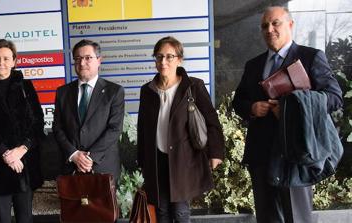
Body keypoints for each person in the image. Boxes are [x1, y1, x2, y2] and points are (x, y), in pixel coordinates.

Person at [232, 6, 343, 223]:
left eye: (275, 23)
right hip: (261, 154)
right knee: (267, 218)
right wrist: (252, 107)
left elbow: (334, 97)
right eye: (265, 25)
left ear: (290, 25)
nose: (269, 29)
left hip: (296, 153)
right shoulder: (253, 64)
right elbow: (239, 102)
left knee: (297, 218)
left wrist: (293, 107)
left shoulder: (311, 57)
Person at [137, 36, 225, 223]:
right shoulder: (147, 90)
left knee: (180, 213)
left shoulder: (193, 86)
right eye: (159, 56)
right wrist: (143, 161)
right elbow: (142, 129)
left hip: (184, 160)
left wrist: (215, 153)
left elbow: (212, 121)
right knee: (161, 213)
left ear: (179, 59)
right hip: (157, 161)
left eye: (169, 56)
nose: (163, 62)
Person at [0, 39, 45, 223]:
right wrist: (4, 152)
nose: (1, 63)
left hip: (24, 165)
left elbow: (37, 122)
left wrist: (22, 150)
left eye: (6, 58)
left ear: (14, 61)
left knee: (25, 218)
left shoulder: (25, 86)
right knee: (1, 218)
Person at [52, 39, 125, 183]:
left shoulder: (114, 91)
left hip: (102, 167)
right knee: (72, 206)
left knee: (104, 207)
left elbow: (114, 129)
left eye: (88, 58)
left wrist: (90, 157)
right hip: (71, 167)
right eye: (77, 59)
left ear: (99, 60)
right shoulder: (63, 92)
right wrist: (74, 154)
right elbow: (58, 127)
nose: (82, 63)